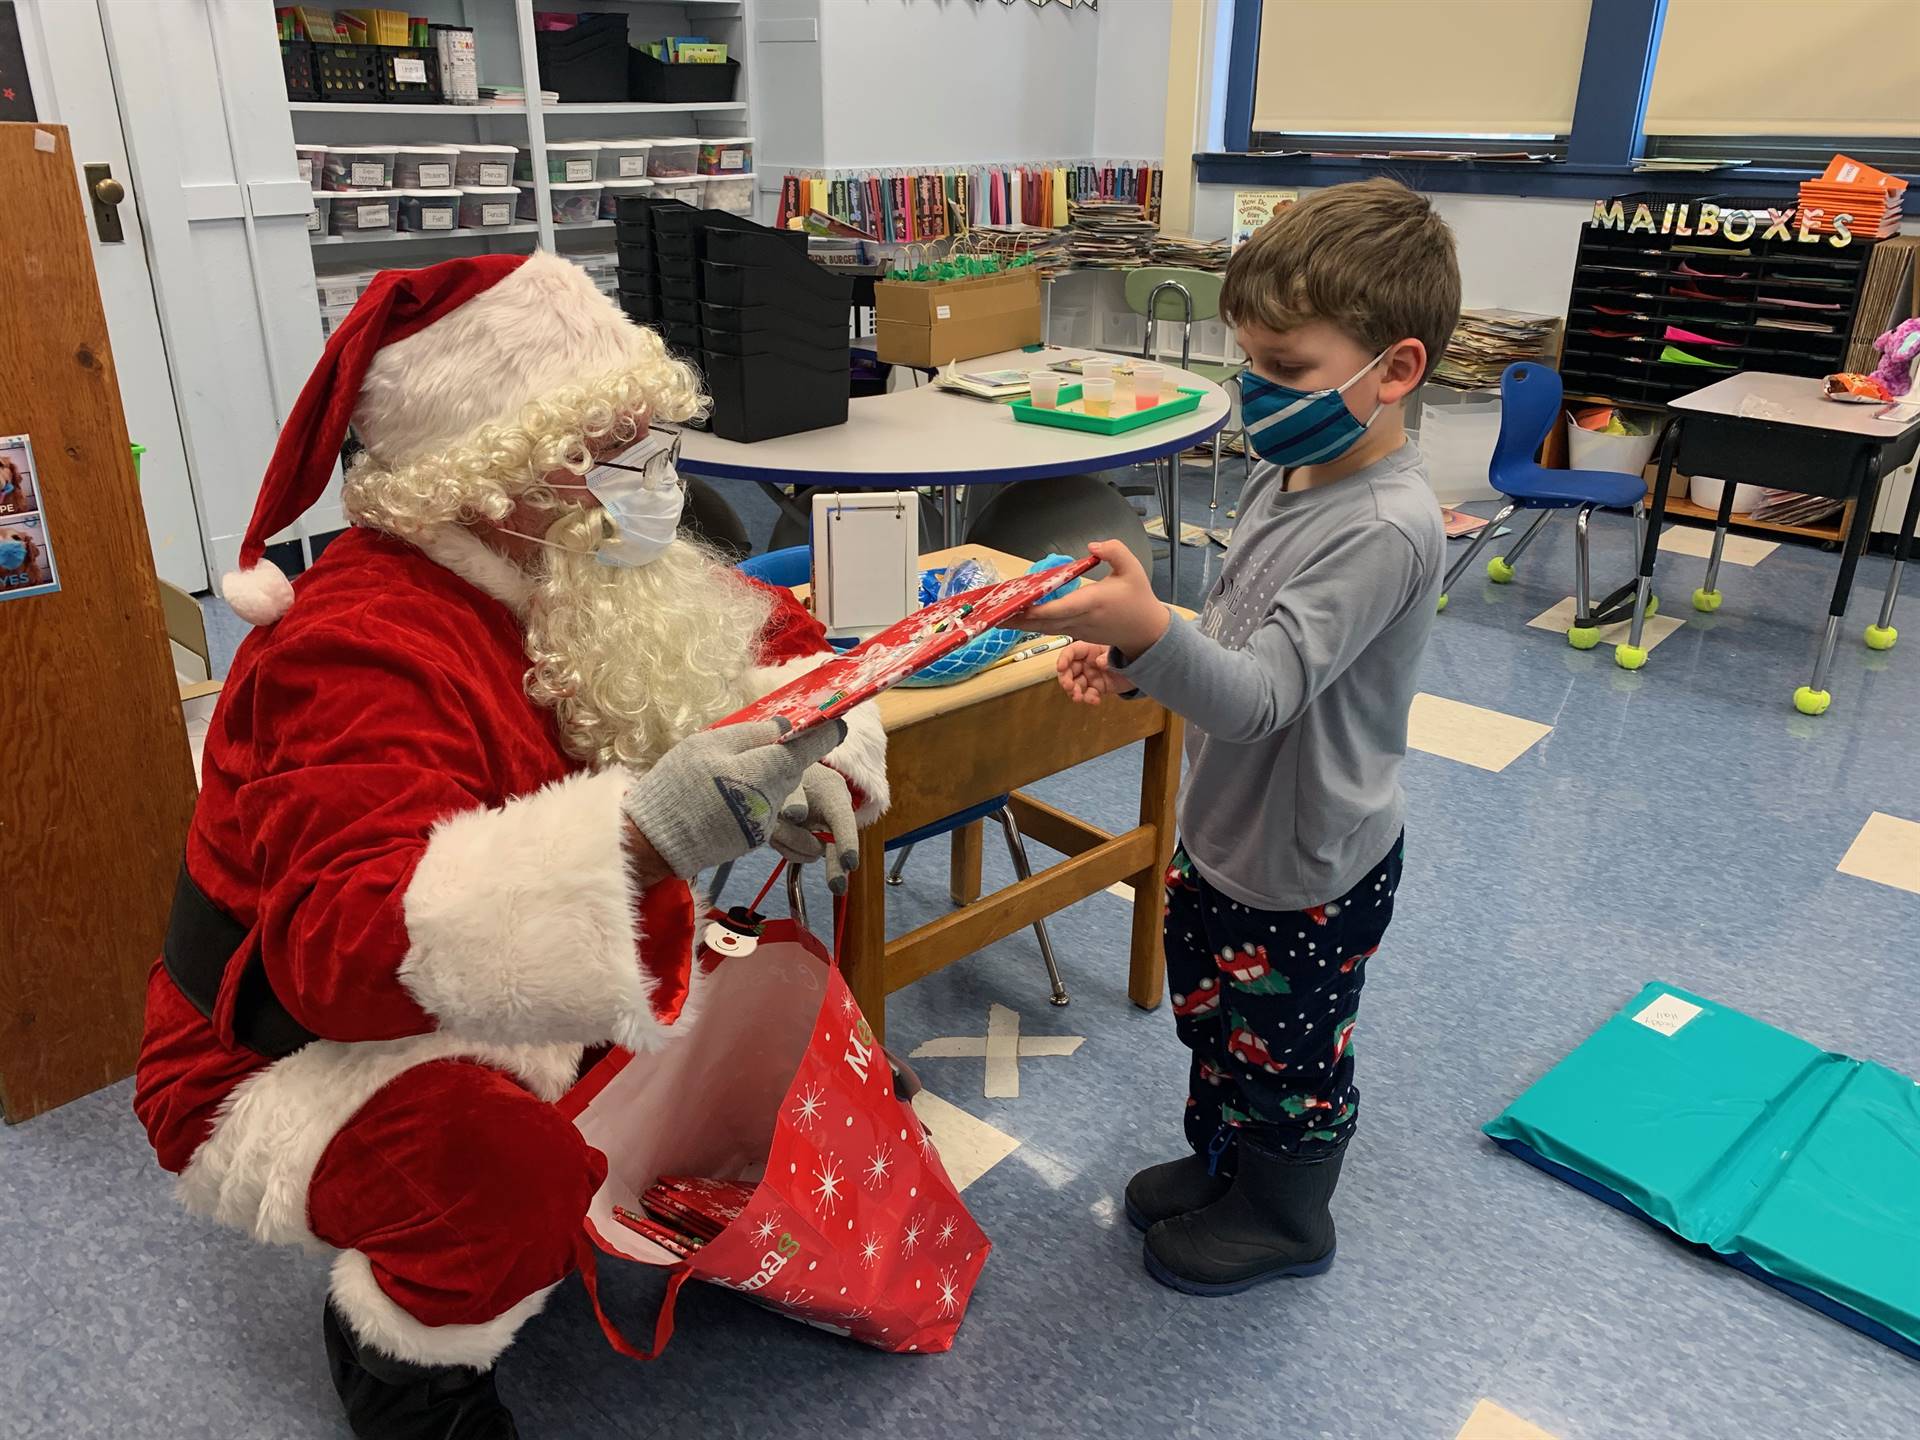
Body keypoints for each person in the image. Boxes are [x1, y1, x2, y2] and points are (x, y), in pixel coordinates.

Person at [133, 252, 890, 1438]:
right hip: (278, 1048)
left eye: (655, 439)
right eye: (613, 449)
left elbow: (766, 650)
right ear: (486, 474)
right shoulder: (361, 646)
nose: (656, 481)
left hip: (501, 998)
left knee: (751, 1030)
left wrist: (815, 755)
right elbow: (340, 955)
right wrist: (648, 834)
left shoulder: (574, 553)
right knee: (508, 1185)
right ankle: (405, 1370)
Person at [1024, 179, 1458, 1295]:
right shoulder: (1291, 467)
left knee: (1291, 1059)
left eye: (1284, 367)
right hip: (1224, 831)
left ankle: (1284, 1213)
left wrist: (1151, 627)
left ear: (1394, 371)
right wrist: (1140, 663)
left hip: (1307, 861)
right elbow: (1228, 631)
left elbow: (1263, 691)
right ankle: (1225, 1164)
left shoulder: (1385, 526)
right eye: (1249, 360)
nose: (1253, 389)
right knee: (1218, 1024)